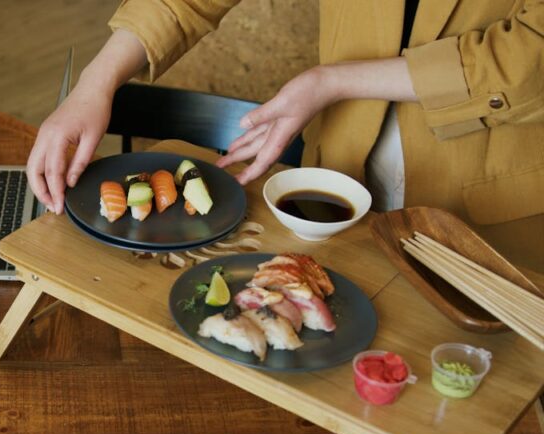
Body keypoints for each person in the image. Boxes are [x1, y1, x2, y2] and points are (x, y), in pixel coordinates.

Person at [28, 1, 543, 271]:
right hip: (340, 161)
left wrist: (333, 81)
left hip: (492, 202)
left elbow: (528, 58)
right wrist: (95, 85)